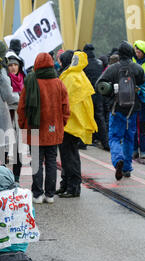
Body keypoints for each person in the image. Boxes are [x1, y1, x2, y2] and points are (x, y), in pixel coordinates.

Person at [18, 52, 70, 203]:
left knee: (36, 161)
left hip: (34, 129)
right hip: (53, 128)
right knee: (52, 161)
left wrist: (23, 124)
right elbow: (65, 107)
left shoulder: (30, 82)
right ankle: (50, 194)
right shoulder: (58, 82)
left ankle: (37, 194)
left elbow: (22, 108)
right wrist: (61, 123)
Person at [96, 41, 145, 180]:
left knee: (114, 137)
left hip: (116, 108)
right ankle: (127, 168)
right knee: (129, 138)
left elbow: (99, 86)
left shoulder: (112, 69)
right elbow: (143, 85)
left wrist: (110, 93)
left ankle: (118, 159)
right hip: (133, 109)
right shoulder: (138, 68)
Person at [56, 51, 97, 197]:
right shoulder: (80, 75)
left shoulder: (70, 76)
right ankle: (66, 184)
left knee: (69, 157)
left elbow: (63, 101)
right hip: (75, 123)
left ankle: (72, 188)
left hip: (69, 123)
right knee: (70, 155)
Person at [83, 44, 109, 151]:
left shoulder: (84, 64)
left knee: (84, 117)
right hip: (98, 94)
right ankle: (105, 142)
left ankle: (83, 141)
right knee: (99, 117)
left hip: (87, 94)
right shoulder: (99, 63)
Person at [6, 51, 25, 183]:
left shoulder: (25, 79)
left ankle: (16, 178)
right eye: (10, 65)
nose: (13, 67)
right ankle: (4, 177)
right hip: (6, 117)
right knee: (5, 149)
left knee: (19, 149)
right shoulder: (4, 80)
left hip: (20, 118)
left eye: (15, 65)